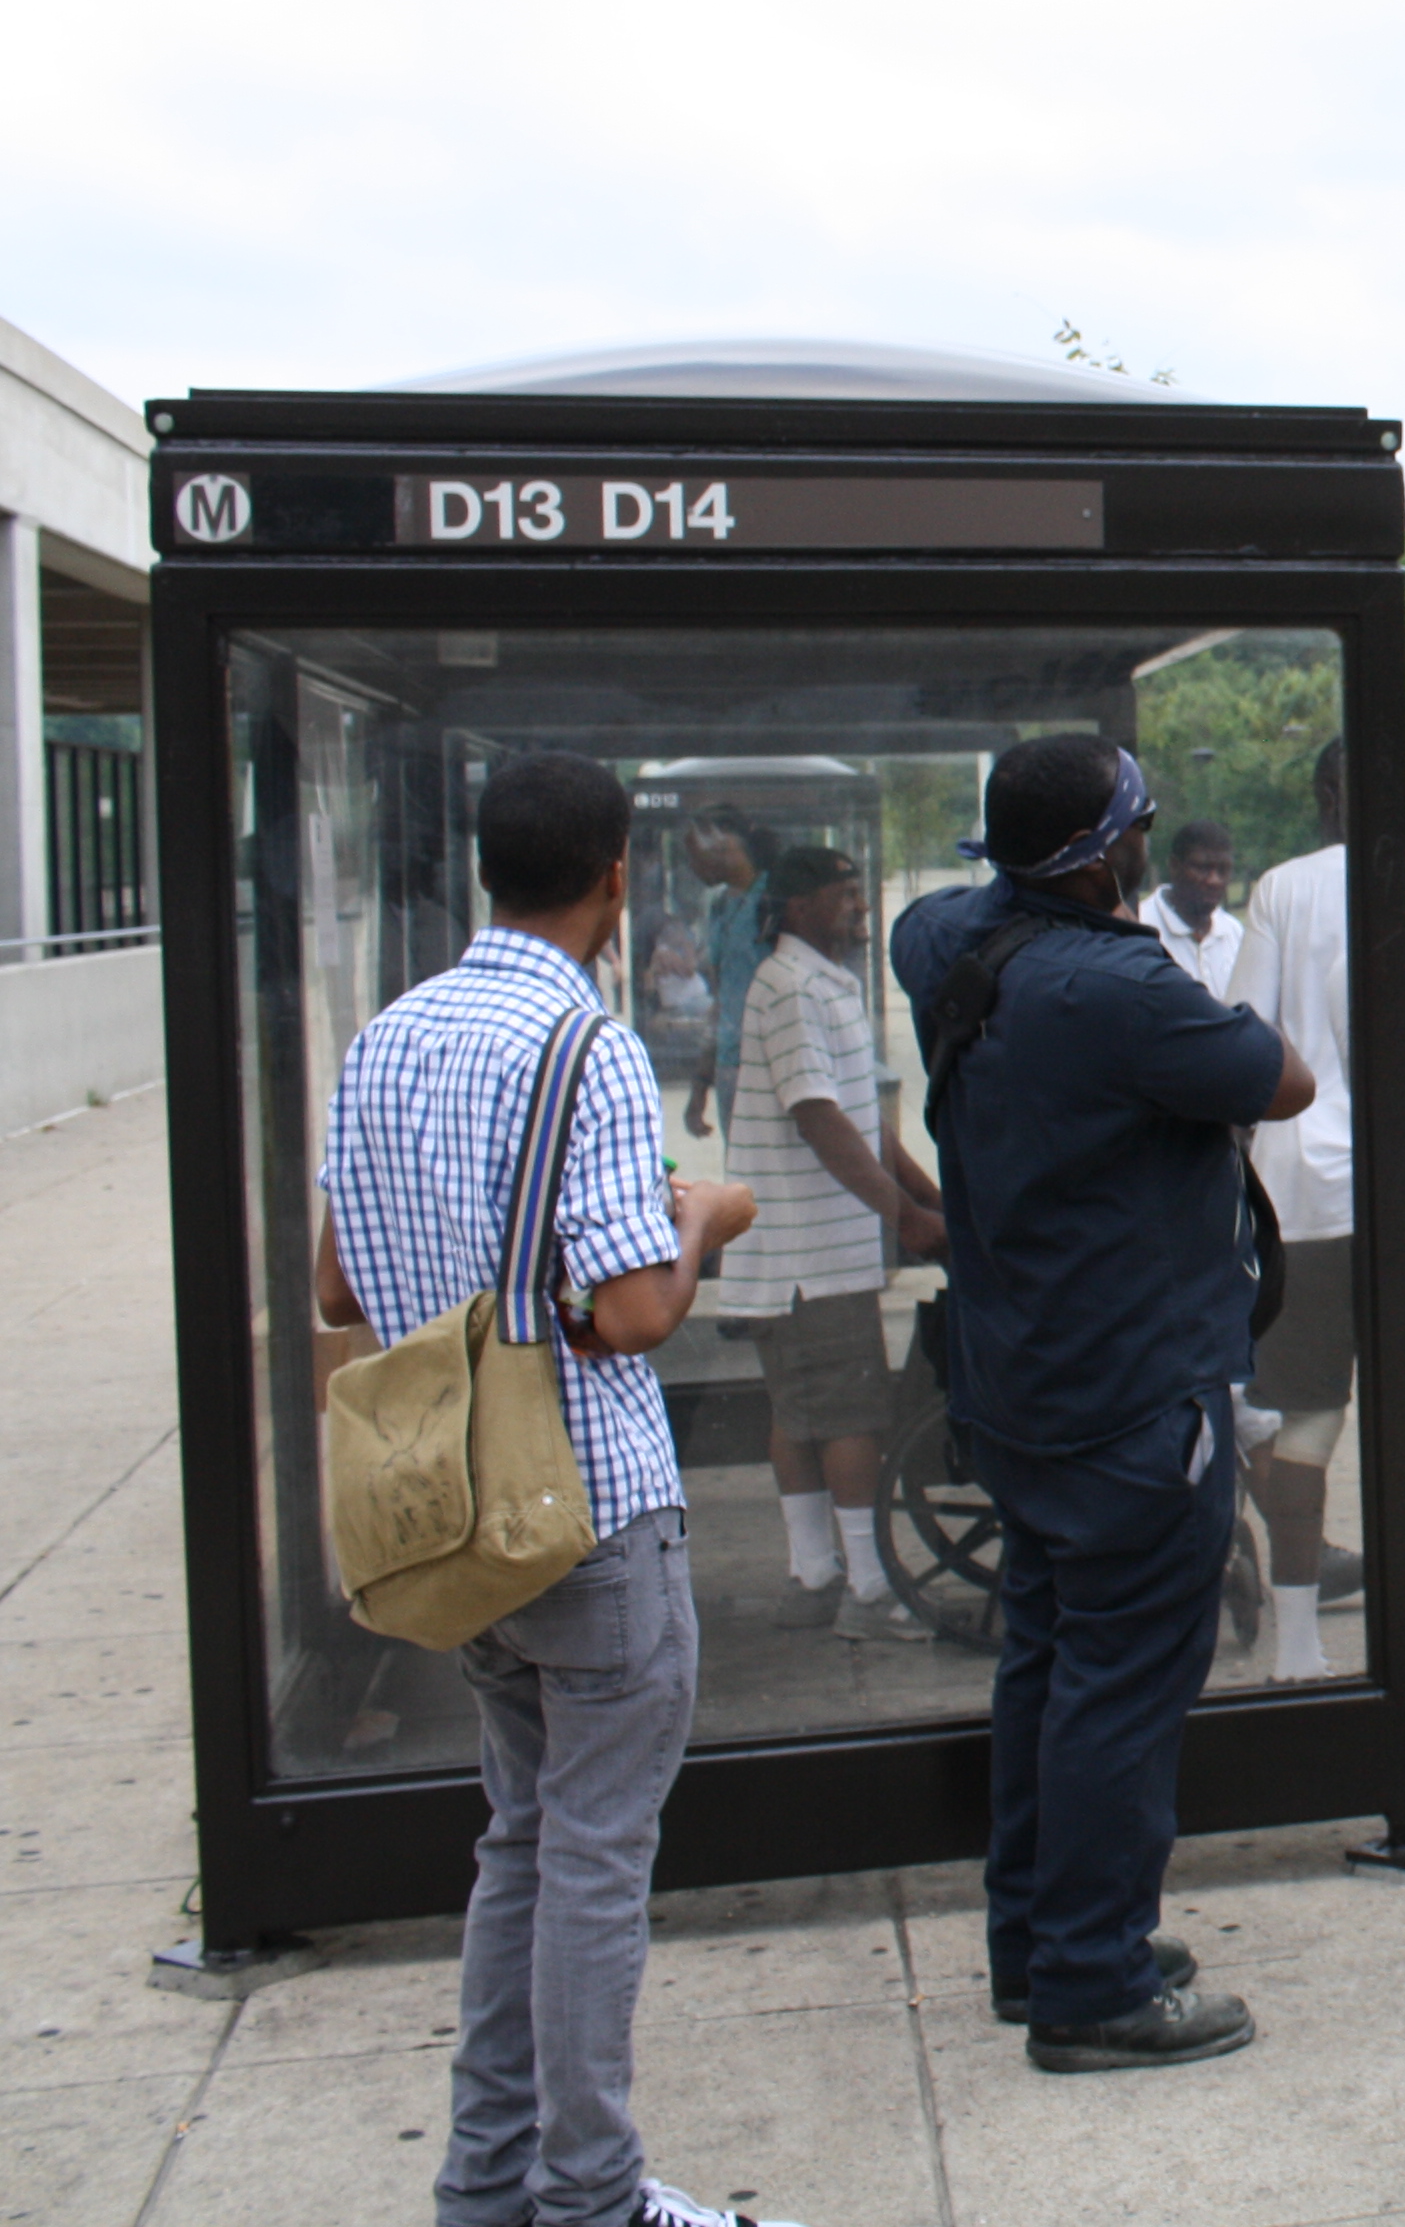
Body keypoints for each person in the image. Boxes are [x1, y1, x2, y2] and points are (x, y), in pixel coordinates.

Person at [310, 751, 784, 2227]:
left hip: (461, 1523)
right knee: (593, 1862)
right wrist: (697, 1218)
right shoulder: (586, 1046)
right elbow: (637, 1313)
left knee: (518, 1841)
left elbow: (337, 1282)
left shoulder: (384, 1038)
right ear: (617, 874)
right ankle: (591, 2195)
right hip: (589, 1506)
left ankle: (487, 2184)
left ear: (481, 869)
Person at [891, 734, 1310, 2073]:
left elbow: (935, 913)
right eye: (1136, 828)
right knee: (1122, 1692)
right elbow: (1283, 1079)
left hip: (1017, 1385)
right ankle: (1093, 1983)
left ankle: (1043, 1941)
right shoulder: (1125, 989)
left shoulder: (944, 944)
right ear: (1105, 857)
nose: (1152, 844)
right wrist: (1140, 945)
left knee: (1050, 1665)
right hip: (1133, 1397)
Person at [1225, 741, 1405, 1682]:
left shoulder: (1279, 890)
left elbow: (1245, 1034)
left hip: (1298, 1194)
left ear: (1324, 799)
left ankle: (1296, 1648)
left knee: (1302, 1422)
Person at [721, 842, 948, 1644]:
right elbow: (820, 1118)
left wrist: (928, 1200)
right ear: (798, 908)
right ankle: (870, 1590)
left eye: (860, 893)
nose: (859, 909)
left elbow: (862, 1117)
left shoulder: (827, 985)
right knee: (849, 1416)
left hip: (810, 1256)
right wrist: (907, 1219)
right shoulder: (788, 988)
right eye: (845, 897)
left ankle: (813, 1575)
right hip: (804, 1257)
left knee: (805, 1413)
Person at [680, 807, 780, 1139]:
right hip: (731, 1064)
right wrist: (699, 1086)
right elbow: (721, 999)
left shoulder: (774, 899)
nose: (708, 861)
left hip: (775, 1059)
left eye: (720, 850)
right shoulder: (720, 905)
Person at [1138, 818, 1244, 1000]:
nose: (1214, 880)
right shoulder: (1141, 928)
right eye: (1203, 868)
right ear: (1174, 866)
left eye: (1223, 870)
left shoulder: (1233, 933)